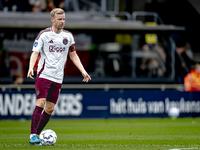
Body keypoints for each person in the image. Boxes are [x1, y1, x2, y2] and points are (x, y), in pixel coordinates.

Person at [27, 8, 91, 145]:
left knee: (50, 108)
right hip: (44, 74)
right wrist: (31, 67)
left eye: (64, 19)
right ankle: (32, 135)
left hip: (58, 77)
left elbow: (73, 54)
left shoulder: (68, 36)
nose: (62, 22)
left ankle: (37, 135)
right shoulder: (44, 35)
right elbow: (35, 53)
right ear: (52, 20)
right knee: (41, 102)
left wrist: (83, 70)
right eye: (59, 19)